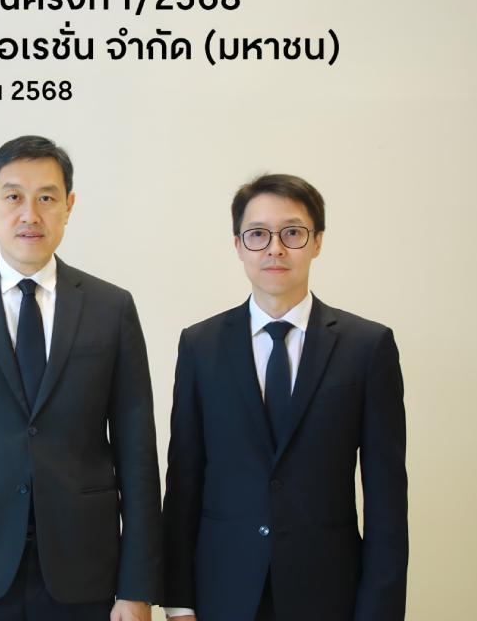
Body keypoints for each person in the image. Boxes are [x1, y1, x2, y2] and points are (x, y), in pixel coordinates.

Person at [0, 136, 163, 621]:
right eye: (13, 196)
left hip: (85, 570)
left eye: (47, 198)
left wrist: (137, 587)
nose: (30, 214)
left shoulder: (111, 307)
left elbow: (138, 455)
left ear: (69, 206)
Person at [161, 174, 408, 621]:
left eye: (292, 233)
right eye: (258, 234)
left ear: (317, 242)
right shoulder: (200, 346)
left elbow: (387, 499)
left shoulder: (367, 347)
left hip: (329, 594)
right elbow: (184, 483)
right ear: (238, 246)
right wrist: (179, 602)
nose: (275, 248)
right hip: (223, 593)